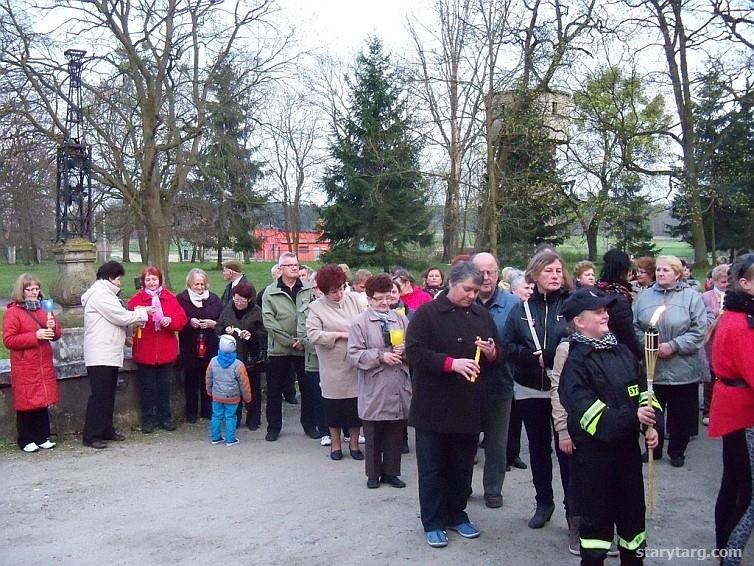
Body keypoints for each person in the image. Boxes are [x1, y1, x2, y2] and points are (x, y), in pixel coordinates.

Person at [559, 287, 660, 565]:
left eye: (606, 310)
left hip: (627, 455)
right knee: (596, 532)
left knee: (633, 527)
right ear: (579, 322)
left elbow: (644, 390)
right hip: (595, 461)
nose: (606, 315)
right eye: (598, 311)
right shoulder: (576, 362)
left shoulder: (623, 350)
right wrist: (633, 418)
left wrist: (652, 425)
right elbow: (587, 415)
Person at [406, 261, 498, 548]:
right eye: (467, 289)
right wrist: (450, 363)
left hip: (468, 404)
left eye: (476, 290)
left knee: (461, 466)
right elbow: (414, 352)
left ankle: (457, 514)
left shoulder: (481, 315)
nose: (472, 295)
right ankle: (433, 520)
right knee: (432, 466)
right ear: (452, 284)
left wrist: (492, 352)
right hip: (433, 404)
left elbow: (498, 354)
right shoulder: (427, 313)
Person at [501, 250, 571, 529]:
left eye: (558, 270)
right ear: (534, 275)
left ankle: (573, 509)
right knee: (539, 449)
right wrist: (531, 357)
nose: (554, 276)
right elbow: (507, 346)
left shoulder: (571, 305)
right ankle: (544, 502)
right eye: (548, 271)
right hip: (530, 387)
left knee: (567, 448)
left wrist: (555, 354)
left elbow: (581, 339)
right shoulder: (521, 309)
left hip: (564, 390)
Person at [633, 255, 707, 467]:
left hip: (683, 369)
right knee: (651, 411)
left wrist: (673, 346)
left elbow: (699, 329)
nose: (660, 273)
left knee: (681, 415)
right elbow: (634, 326)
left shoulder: (692, 297)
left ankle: (677, 450)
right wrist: (650, 344)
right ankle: (652, 449)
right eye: (658, 270)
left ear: (677, 273)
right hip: (652, 368)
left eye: (666, 270)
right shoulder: (645, 297)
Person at [709, 253, 754, 564]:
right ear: (745, 283)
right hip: (742, 409)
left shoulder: (735, 314)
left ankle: (723, 544)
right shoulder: (742, 322)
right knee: (746, 490)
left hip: (734, 405)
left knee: (734, 481)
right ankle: (730, 553)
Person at [347, 273, 411, 488]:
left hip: (398, 383)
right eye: (378, 299)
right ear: (369, 299)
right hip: (374, 385)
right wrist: (380, 356)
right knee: (373, 432)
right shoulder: (359, 323)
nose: (384, 302)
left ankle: (392, 472)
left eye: (388, 297)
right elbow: (354, 354)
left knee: (395, 431)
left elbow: (416, 349)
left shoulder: (401, 319)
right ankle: (373, 474)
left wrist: (405, 351)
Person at [81, 261, 149, 449]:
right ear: (111, 278)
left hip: (108, 351)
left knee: (108, 393)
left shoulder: (102, 293)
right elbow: (121, 316)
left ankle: (105, 429)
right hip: (101, 352)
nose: (120, 283)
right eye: (118, 279)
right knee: (100, 394)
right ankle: (92, 434)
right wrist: (143, 313)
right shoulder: (101, 295)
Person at [472, 252, 517, 508]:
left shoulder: (512, 305)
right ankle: (462, 486)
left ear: (498, 274)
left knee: (496, 445)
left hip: (499, 383)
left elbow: (518, 345)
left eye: (491, 272)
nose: (486, 277)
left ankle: (492, 489)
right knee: (465, 441)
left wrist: (497, 352)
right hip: (466, 385)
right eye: (481, 272)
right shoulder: (462, 300)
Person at [306, 264, 363, 460]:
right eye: (333, 292)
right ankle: (335, 445)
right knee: (334, 407)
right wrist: (339, 335)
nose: (338, 294)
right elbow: (313, 335)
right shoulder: (315, 308)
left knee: (355, 407)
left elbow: (365, 323)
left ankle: (354, 445)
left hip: (355, 363)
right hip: (332, 365)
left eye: (341, 289)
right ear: (323, 291)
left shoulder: (355, 300)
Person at [3, 274, 62, 452]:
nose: (34, 293)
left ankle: (42, 436)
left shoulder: (43, 310)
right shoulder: (13, 312)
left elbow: (56, 335)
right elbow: (9, 340)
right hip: (25, 364)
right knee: (26, 402)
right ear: (22, 291)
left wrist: (53, 326)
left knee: (42, 400)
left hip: (42, 362)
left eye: (36, 289)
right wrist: (34, 336)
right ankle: (26, 439)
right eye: (29, 289)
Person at [262, 252, 316, 441]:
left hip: (303, 348)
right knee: (275, 389)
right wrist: (289, 341)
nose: (294, 267)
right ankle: (274, 427)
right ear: (280, 269)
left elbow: (315, 317)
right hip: (279, 348)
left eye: (296, 264)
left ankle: (309, 425)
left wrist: (303, 341)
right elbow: (269, 322)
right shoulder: (270, 291)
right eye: (289, 265)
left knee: (307, 389)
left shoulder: (308, 290)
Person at [128, 266, 188, 433]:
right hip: (145, 349)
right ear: (143, 282)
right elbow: (128, 319)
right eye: (148, 280)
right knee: (147, 388)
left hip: (165, 349)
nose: (151, 282)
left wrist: (170, 321)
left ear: (160, 280)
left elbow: (181, 319)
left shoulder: (169, 298)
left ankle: (165, 417)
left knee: (164, 388)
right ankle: (148, 419)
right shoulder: (137, 300)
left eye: (154, 279)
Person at [216, 282, 265, 430]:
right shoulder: (228, 310)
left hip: (251, 357)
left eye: (242, 301)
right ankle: (234, 419)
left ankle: (253, 419)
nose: (238, 303)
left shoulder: (257, 311)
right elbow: (218, 327)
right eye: (236, 300)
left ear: (249, 300)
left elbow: (264, 334)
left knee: (252, 390)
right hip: (231, 357)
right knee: (232, 389)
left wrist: (251, 335)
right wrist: (225, 329)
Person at [176, 268, 223, 423]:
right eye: (196, 284)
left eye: (202, 284)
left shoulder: (214, 299)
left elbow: (222, 319)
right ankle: (191, 413)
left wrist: (213, 323)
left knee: (208, 380)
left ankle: (207, 411)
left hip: (210, 344)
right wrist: (190, 322)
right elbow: (178, 319)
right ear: (190, 284)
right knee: (190, 381)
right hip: (190, 345)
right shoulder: (181, 299)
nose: (200, 287)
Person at [296, 273, 329, 443]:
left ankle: (347, 430)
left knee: (344, 396)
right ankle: (324, 431)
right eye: (315, 287)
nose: (319, 291)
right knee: (319, 396)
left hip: (339, 360)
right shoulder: (307, 309)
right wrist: (325, 348)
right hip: (315, 360)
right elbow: (303, 335)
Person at [595, 249, 643, 360]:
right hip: (615, 354)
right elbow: (627, 334)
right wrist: (641, 354)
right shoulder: (619, 299)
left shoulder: (596, 290)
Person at [206, 334, 252, 446]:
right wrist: (247, 397)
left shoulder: (213, 361)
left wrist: (209, 390)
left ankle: (215, 437)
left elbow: (209, 378)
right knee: (231, 416)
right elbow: (244, 383)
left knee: (216, 415)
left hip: (217, 396)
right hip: (232, 397)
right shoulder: (238, 364)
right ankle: (230, 439)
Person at [701, 264, 729, 425]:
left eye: (727, 282)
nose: (725, 285)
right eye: (723, 282)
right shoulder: (706, 297)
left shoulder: (733, 296)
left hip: (726, 342)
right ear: (715, 281)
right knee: (710, 378)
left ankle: (723, 410)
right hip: (711, 342)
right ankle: (707, 410)